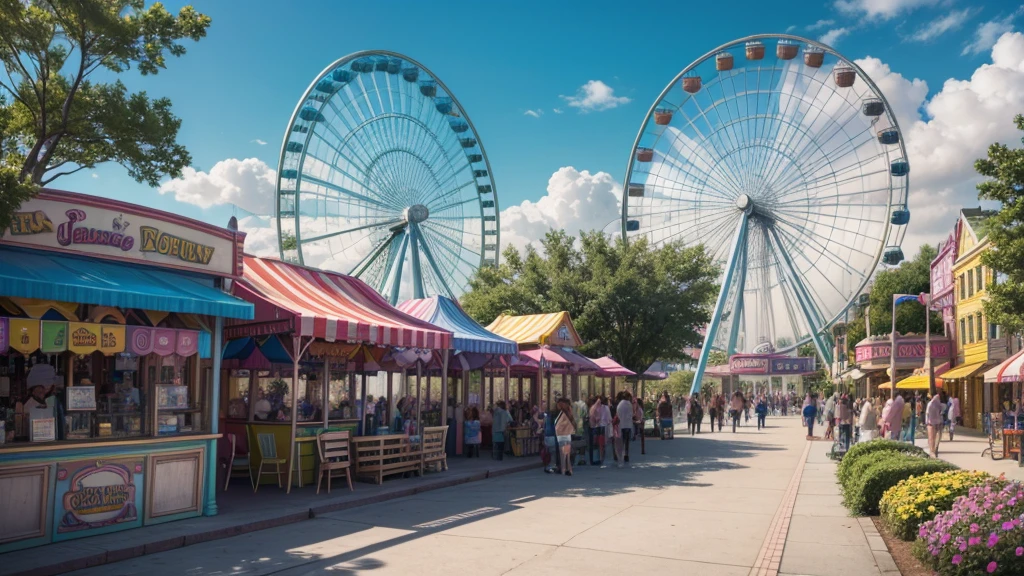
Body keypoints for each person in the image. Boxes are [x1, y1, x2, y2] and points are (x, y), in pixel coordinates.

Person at [555, 398, 577, 476]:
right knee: (566, 453)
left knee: (562, 453)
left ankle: (563, 469)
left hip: (561, 435)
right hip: (567, 435)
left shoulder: (561, 413)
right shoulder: (568, 412)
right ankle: (568, 468)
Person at [615, 392, 634, 467]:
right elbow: (631, 414)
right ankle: (626, 454)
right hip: (628, 425)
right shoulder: (629, 404)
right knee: (627, 441)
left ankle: (620, 455)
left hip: (621, 425)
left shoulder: (620, 404)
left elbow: (618, 413)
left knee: (621, 441)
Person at [926, 391, 946, 458]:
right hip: (939, 422)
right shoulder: (941, 404)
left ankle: (932, 451)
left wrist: (927, 422)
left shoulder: (930, 404)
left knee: (932, 438)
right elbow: (943, 411)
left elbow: (927, 414)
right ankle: (935, 449)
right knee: (937, 437)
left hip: (931, 423)